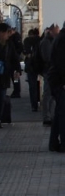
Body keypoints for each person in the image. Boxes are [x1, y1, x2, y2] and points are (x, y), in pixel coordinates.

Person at [47, 22, 65, 152]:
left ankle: (53, 143)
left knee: (59, 113)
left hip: (56, 80)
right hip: (60, 82)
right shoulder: (63, 40)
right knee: (63, 114)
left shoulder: (60, 38)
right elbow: (62, 63)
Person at [40, 23, 59, 126]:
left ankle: (51, 115)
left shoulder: (51, 41)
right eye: (57, 30)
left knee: (52, 95)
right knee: (48, 94)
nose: (58, 32)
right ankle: (47, 116)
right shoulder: (47, 42)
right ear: (51, 31)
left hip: (51, 71)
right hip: (49, 71)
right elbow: (47, 58)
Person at [22, 27, 41, 111]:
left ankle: (34, 105)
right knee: (39, 85)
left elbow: (25, 52)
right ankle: (38, 100)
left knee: (32, 86)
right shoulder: (39, 40)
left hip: (30, 66)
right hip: (39, 65)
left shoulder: (27, 41)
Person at [8, 27, 23, 98]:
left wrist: (16, 54)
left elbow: (20, 48)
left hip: (14, 61)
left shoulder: (15, 38)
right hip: (14, 61)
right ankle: (16, 90)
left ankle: (17, 91)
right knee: (15, 77)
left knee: (15, 76)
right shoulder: (14, 37)